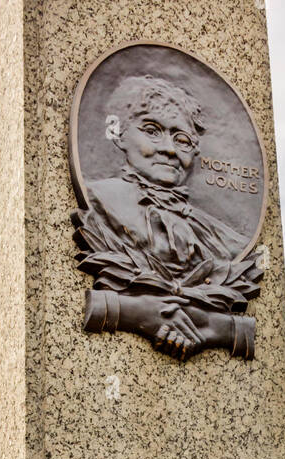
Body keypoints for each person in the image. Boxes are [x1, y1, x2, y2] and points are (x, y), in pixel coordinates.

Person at [74, 75, 262, 359]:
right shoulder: (101, 199)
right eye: (152, 131)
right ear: (117, 132)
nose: (170, 149)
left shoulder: (222, 237)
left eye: (182, 139)